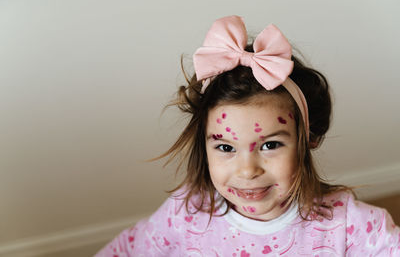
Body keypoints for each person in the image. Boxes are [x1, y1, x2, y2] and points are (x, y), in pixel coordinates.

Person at [95, 15, 399, 256]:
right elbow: (128, 251)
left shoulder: (350, 226)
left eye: (270, 144)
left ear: (309, 138)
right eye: (226, 147)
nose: (247, 170)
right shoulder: (185, 211)